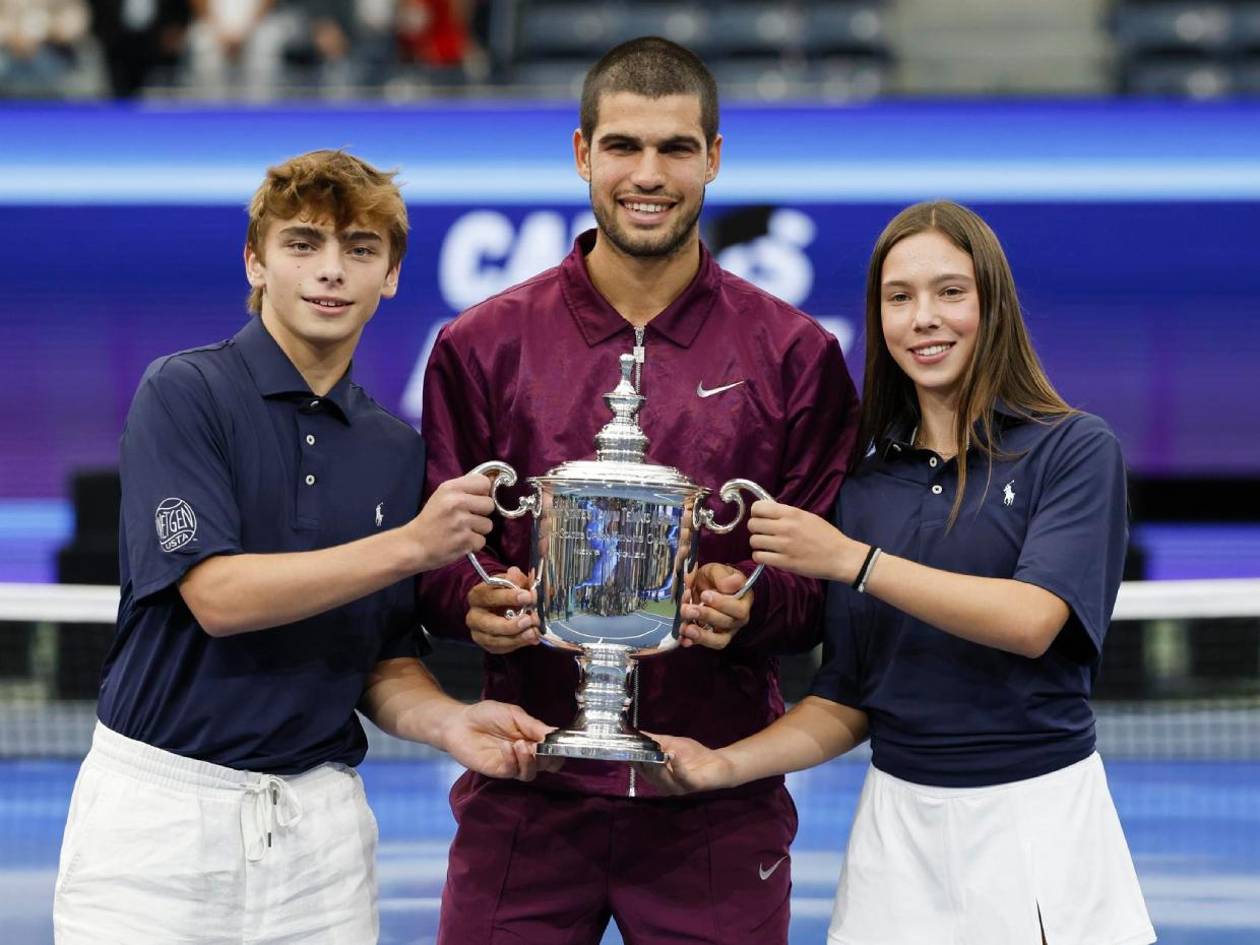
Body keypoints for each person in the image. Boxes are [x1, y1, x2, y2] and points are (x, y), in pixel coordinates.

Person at [417, 36, 859, 945]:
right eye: (622, 146)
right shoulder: (481, 344)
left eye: (675, 148)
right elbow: (436, 552)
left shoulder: (795, 353)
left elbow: (822, 582)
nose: (647, 174)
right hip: (526, 794)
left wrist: (754, 603)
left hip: (715, 797)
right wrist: (478, 601)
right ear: (582, 153)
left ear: (715, 158)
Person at [53, 149, 553, 945]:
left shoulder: (394, 448)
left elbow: (382, 662)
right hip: (158, 822)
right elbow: (218, 598)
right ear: (255, 261)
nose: (331, 272)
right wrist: (411, 545)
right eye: (302, 245)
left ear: (389, 275)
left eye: (360, 249)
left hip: (320, 838)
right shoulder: (184, 393)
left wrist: (449, 723)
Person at [644, 200, 1157, 945]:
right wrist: (721, 766)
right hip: (895, 842)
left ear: (993, 304)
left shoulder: (1073, 450)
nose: (924, 318)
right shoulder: (865, 482)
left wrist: (853, 561)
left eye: (951, 292)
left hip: (1041, 829)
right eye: (899, 297)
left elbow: (1031, 620)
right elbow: (847, 696)